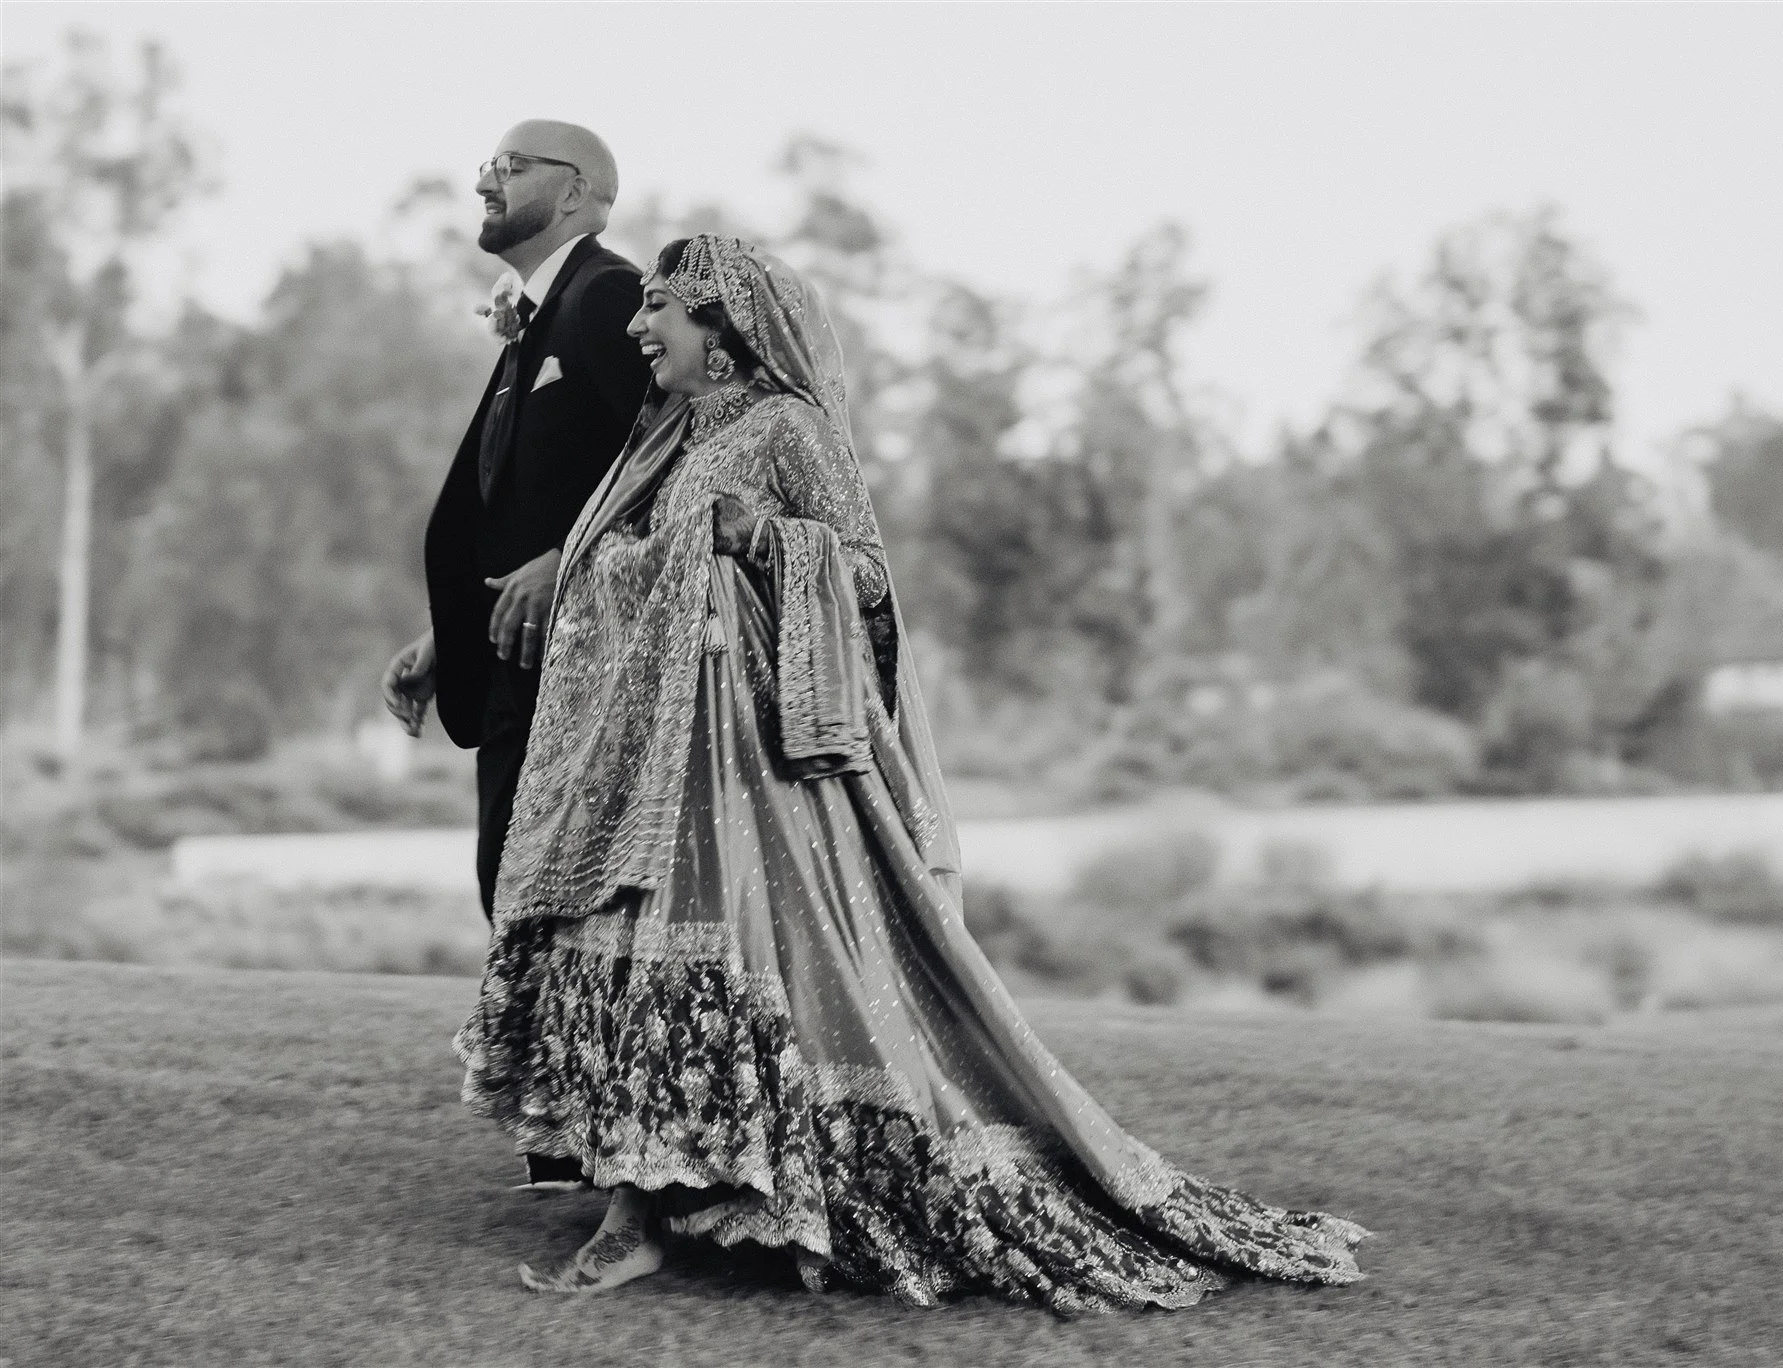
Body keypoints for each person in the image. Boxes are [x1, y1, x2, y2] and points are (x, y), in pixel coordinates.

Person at [455, 235, 1370, 1309]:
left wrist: (762, 541)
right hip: (654, 775)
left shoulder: (784, 426)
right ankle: (640, 1209)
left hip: (752, 778)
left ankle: (669, 1212)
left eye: (658, 308)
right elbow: (630, 570)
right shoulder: (666, 437)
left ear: (724, 329)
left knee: (731, 972)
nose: (634, 326)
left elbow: (865, 577)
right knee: (632, 963)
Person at [381, 120, 649, 1190]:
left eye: (515, 162)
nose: (484, 175)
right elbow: (521, 500)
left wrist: (565, 561)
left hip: (585, 670)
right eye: (486, 163)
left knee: (550, 890)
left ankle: (607, 1141)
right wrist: (449, 638)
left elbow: (685, 457)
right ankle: (572, 1139)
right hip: (511, 662)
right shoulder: (537, 320)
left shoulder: (603, 299)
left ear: (579, 192)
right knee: (515, 882)